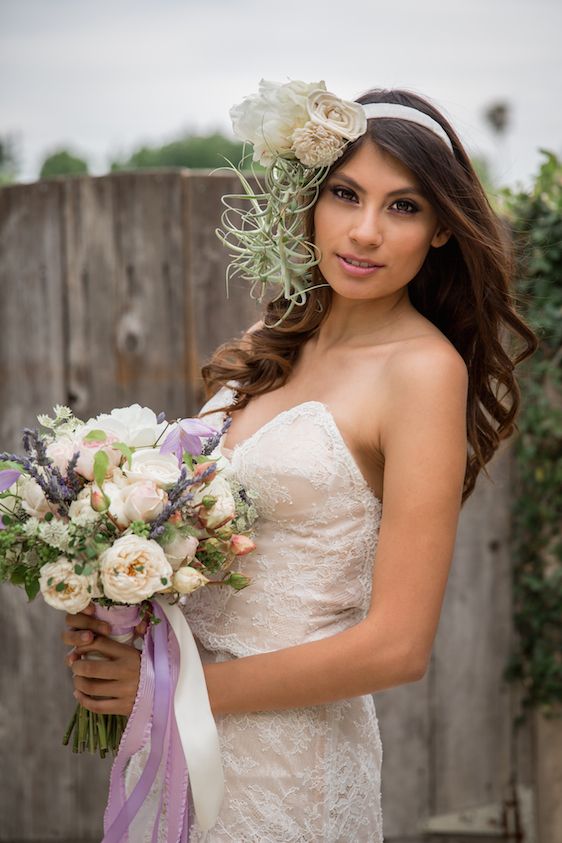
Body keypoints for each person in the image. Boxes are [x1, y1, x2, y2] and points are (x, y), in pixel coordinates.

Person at [63, 81, 537, 842]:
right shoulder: (274, 336)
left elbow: (399, 646)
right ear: (312, 200)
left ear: (444, 230)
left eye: (404, 206)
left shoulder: (422, 371)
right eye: (346, 194)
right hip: (180, 740)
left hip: (292, 764)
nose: (366, 231)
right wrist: (118, 617)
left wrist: (173, 690)